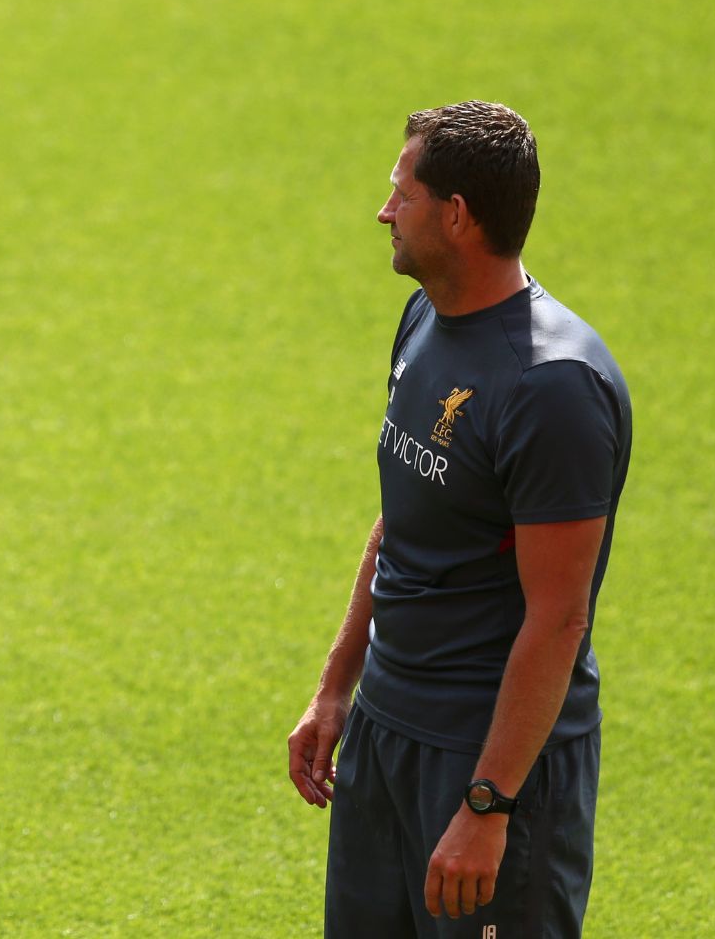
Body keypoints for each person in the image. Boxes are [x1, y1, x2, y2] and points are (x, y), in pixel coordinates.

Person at [287, 101, 631, 937]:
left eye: (401, 192)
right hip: (388, 736)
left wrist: (488, 803)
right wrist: (339, 689)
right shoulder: (425, 319)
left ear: (457, 216)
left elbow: (558, 619)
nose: (384, 212)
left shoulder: (552, 389)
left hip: (482, 762)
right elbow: (402, 522)